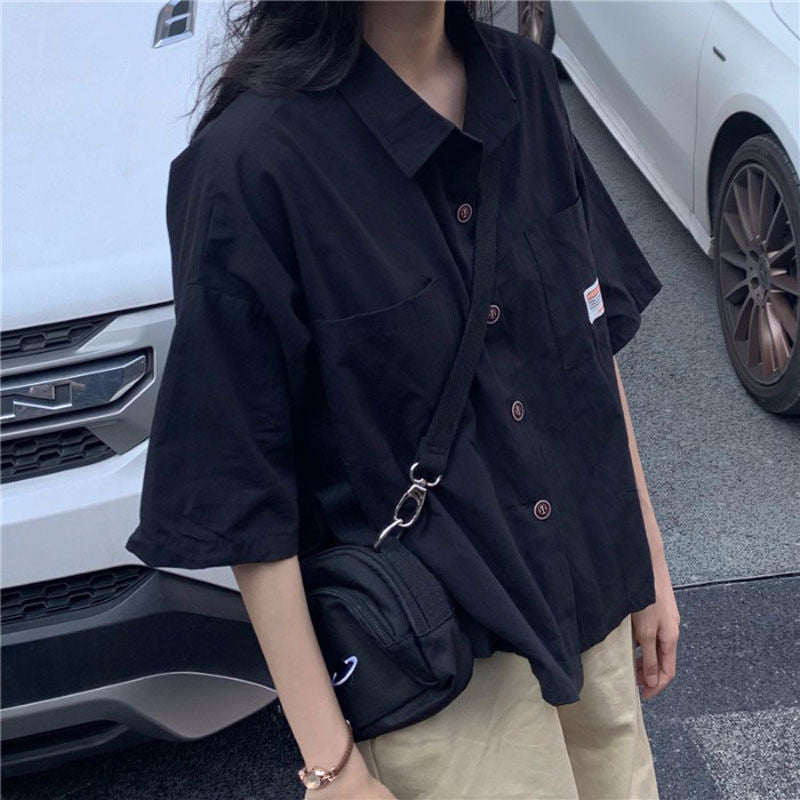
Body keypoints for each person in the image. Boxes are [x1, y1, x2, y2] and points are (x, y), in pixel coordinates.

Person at [125, 1, 681, 797]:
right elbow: (248, 497)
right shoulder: (252, 167)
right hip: (442, 681)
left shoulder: (525, 83)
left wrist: (649, 561)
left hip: (591, 613)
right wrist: (332, 767)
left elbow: (587, 347)